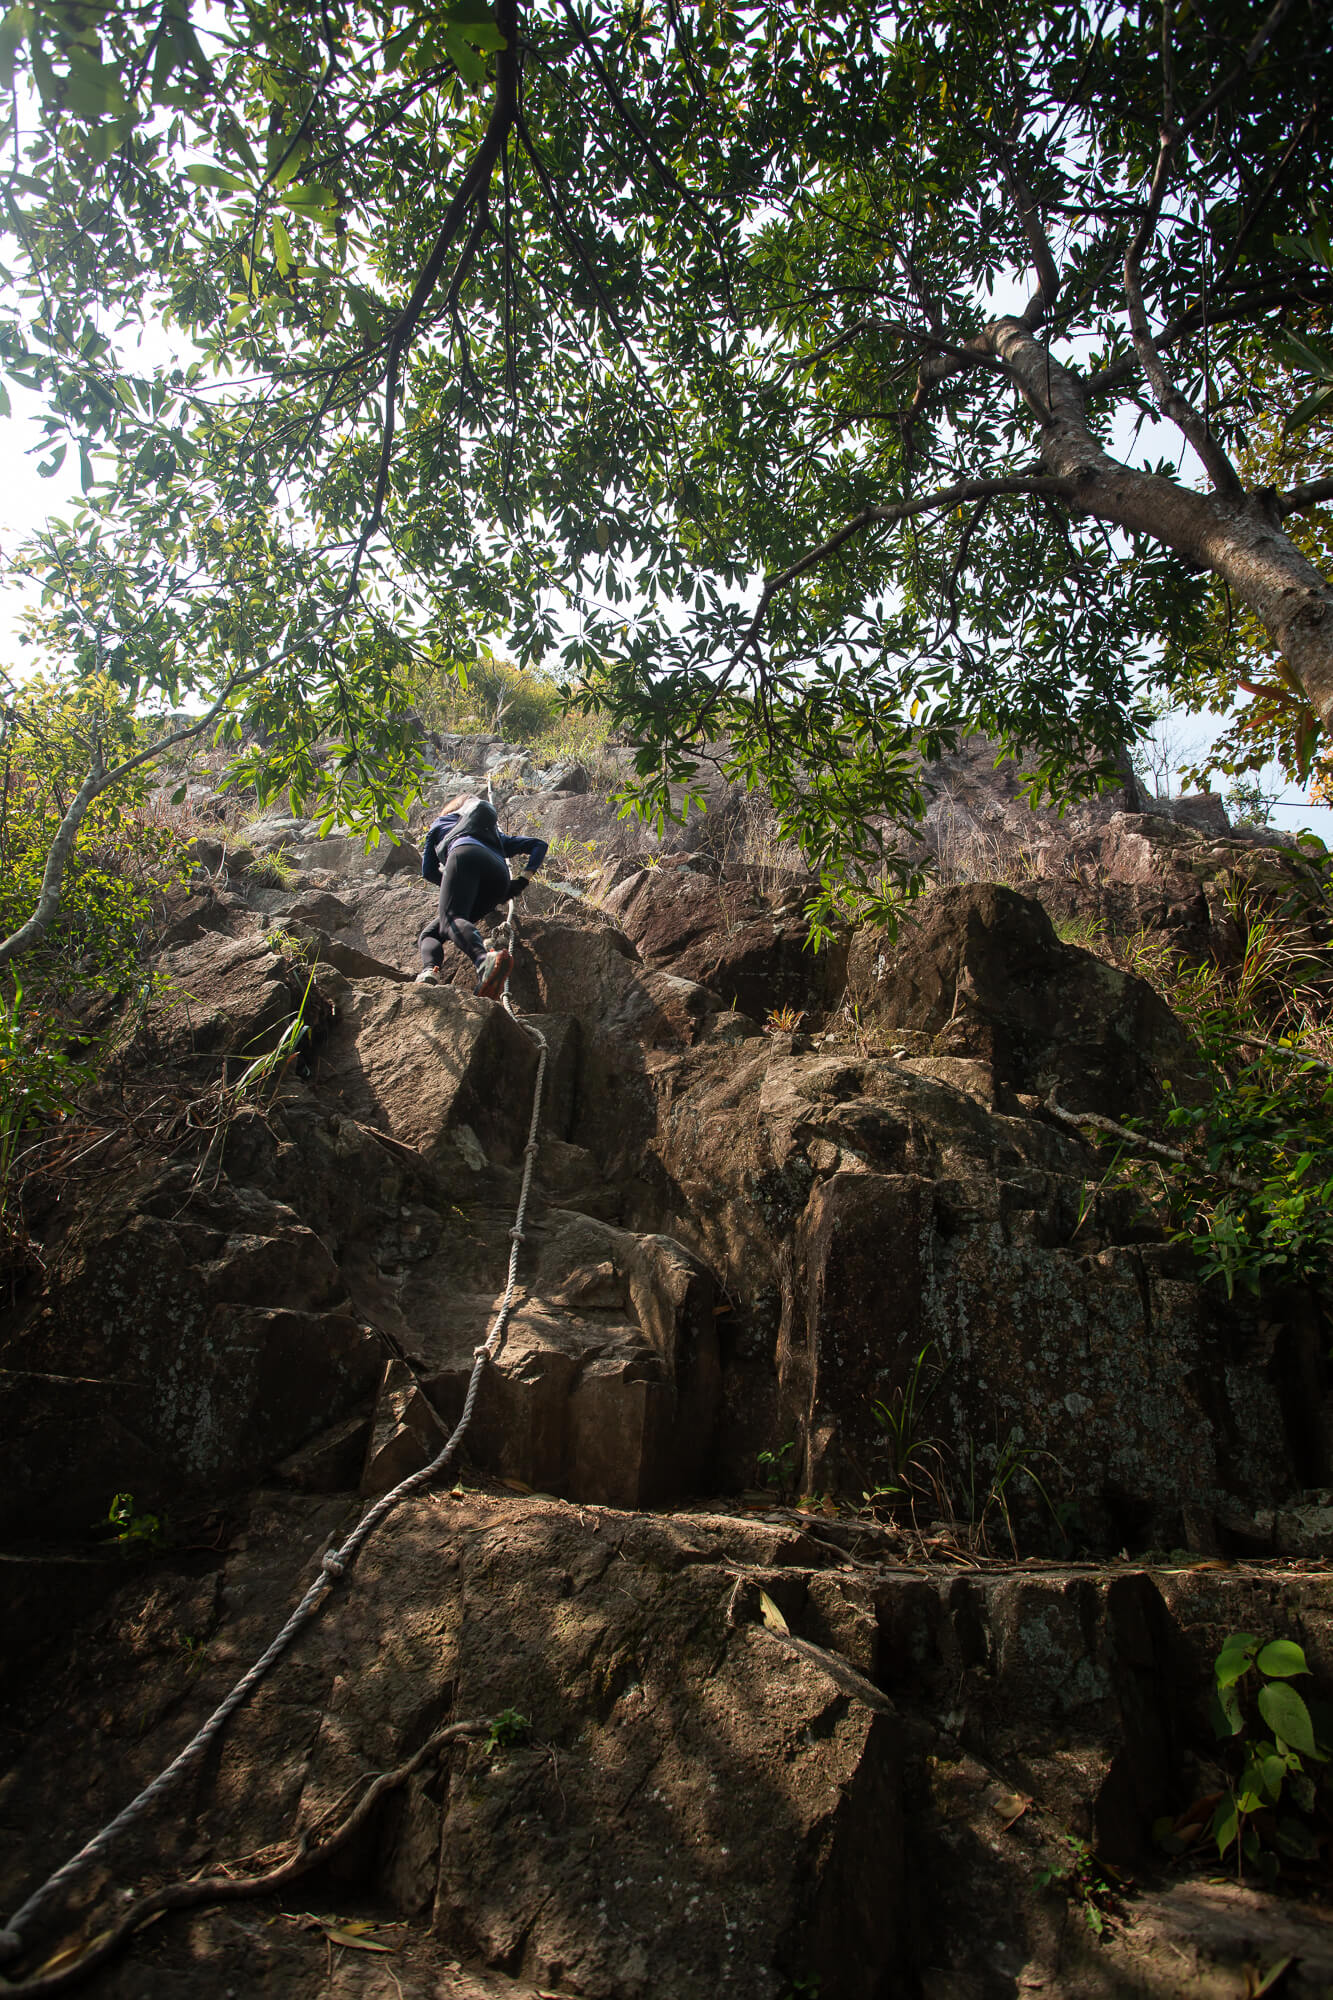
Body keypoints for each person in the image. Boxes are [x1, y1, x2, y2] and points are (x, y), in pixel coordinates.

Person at [416, 794, 549, 997]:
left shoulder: (442, 822)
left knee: (450, 918)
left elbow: (428, 871)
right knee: (432, 933)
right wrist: (522, 880)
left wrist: (453, 884)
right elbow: (539, 845)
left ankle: (483, 962)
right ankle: (430, 970)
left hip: (464, 854)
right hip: (499, 877)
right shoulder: (494, 833)